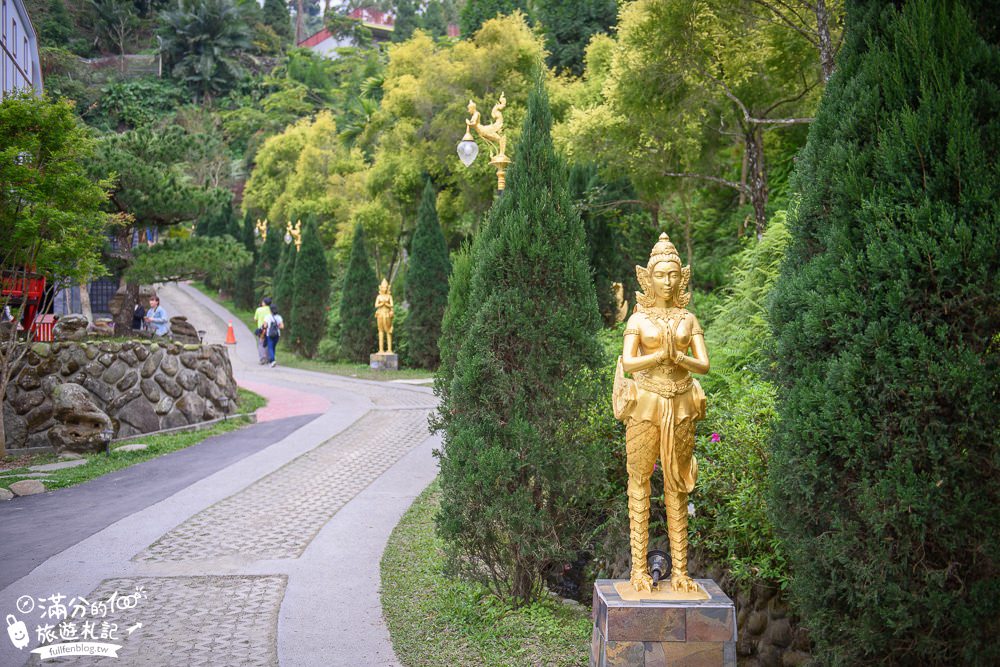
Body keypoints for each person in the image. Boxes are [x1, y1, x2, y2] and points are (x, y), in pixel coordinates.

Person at [616, 233, 709, 594]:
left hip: (681, 404)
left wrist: (680, 357)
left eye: (673, 275)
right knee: (639, 480)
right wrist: (660, 356)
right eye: (661, 275)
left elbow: (703, 363)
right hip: (645, 403)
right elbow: (628, 361)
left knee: (677, 482)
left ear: (680, 278)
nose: (667, 282)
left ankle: (681, 571)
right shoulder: (639, 321)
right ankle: (639, 569)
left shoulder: (688, 318)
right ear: (648, 279)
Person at [254, 297, 272, 365]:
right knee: (267, 343)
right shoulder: (271, 310)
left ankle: (262, 359)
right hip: (269, 329)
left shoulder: (259, 309)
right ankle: (268, 358)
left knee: (261, 344)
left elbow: (255, 319)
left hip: (261, 330)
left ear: (264, 303)